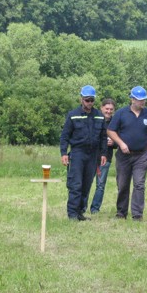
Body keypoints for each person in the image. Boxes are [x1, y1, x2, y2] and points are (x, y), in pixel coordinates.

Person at [107, 86, 147, 221]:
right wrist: (121, 143)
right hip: (123, 156)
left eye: (144, 100)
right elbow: (110, 131)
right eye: (140, 100)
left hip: (142, 155)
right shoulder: (121, 113)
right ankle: (121, 213)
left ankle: (137, 214)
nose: (142, 102)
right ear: (132, 99)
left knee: (139, 184)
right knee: (123, 184)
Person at [60, 85, 108, 221]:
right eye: (87, 100)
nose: (89, 103)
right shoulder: (73, 115)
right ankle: (72, 214)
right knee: (76, 185)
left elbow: (103, 137)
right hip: (77, 154)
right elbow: (64, 136)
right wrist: (64, 153)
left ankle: (80, 212)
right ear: (81, 99)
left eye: (92, 100)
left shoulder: (99, 116)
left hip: (93, 155)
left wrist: (103, 154)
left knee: (86, 185)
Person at [89, 99, 117, 215]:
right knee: (86, 182)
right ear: (101, 108)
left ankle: (95, 209)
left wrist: (113, 142)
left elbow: (120, 141)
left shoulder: (115, 123)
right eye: (107, 108)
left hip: (106, 158)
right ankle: (81, 206)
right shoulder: (94, 119)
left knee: (100, 185)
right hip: (91, 156)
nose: (109, 111)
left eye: (111, 109)